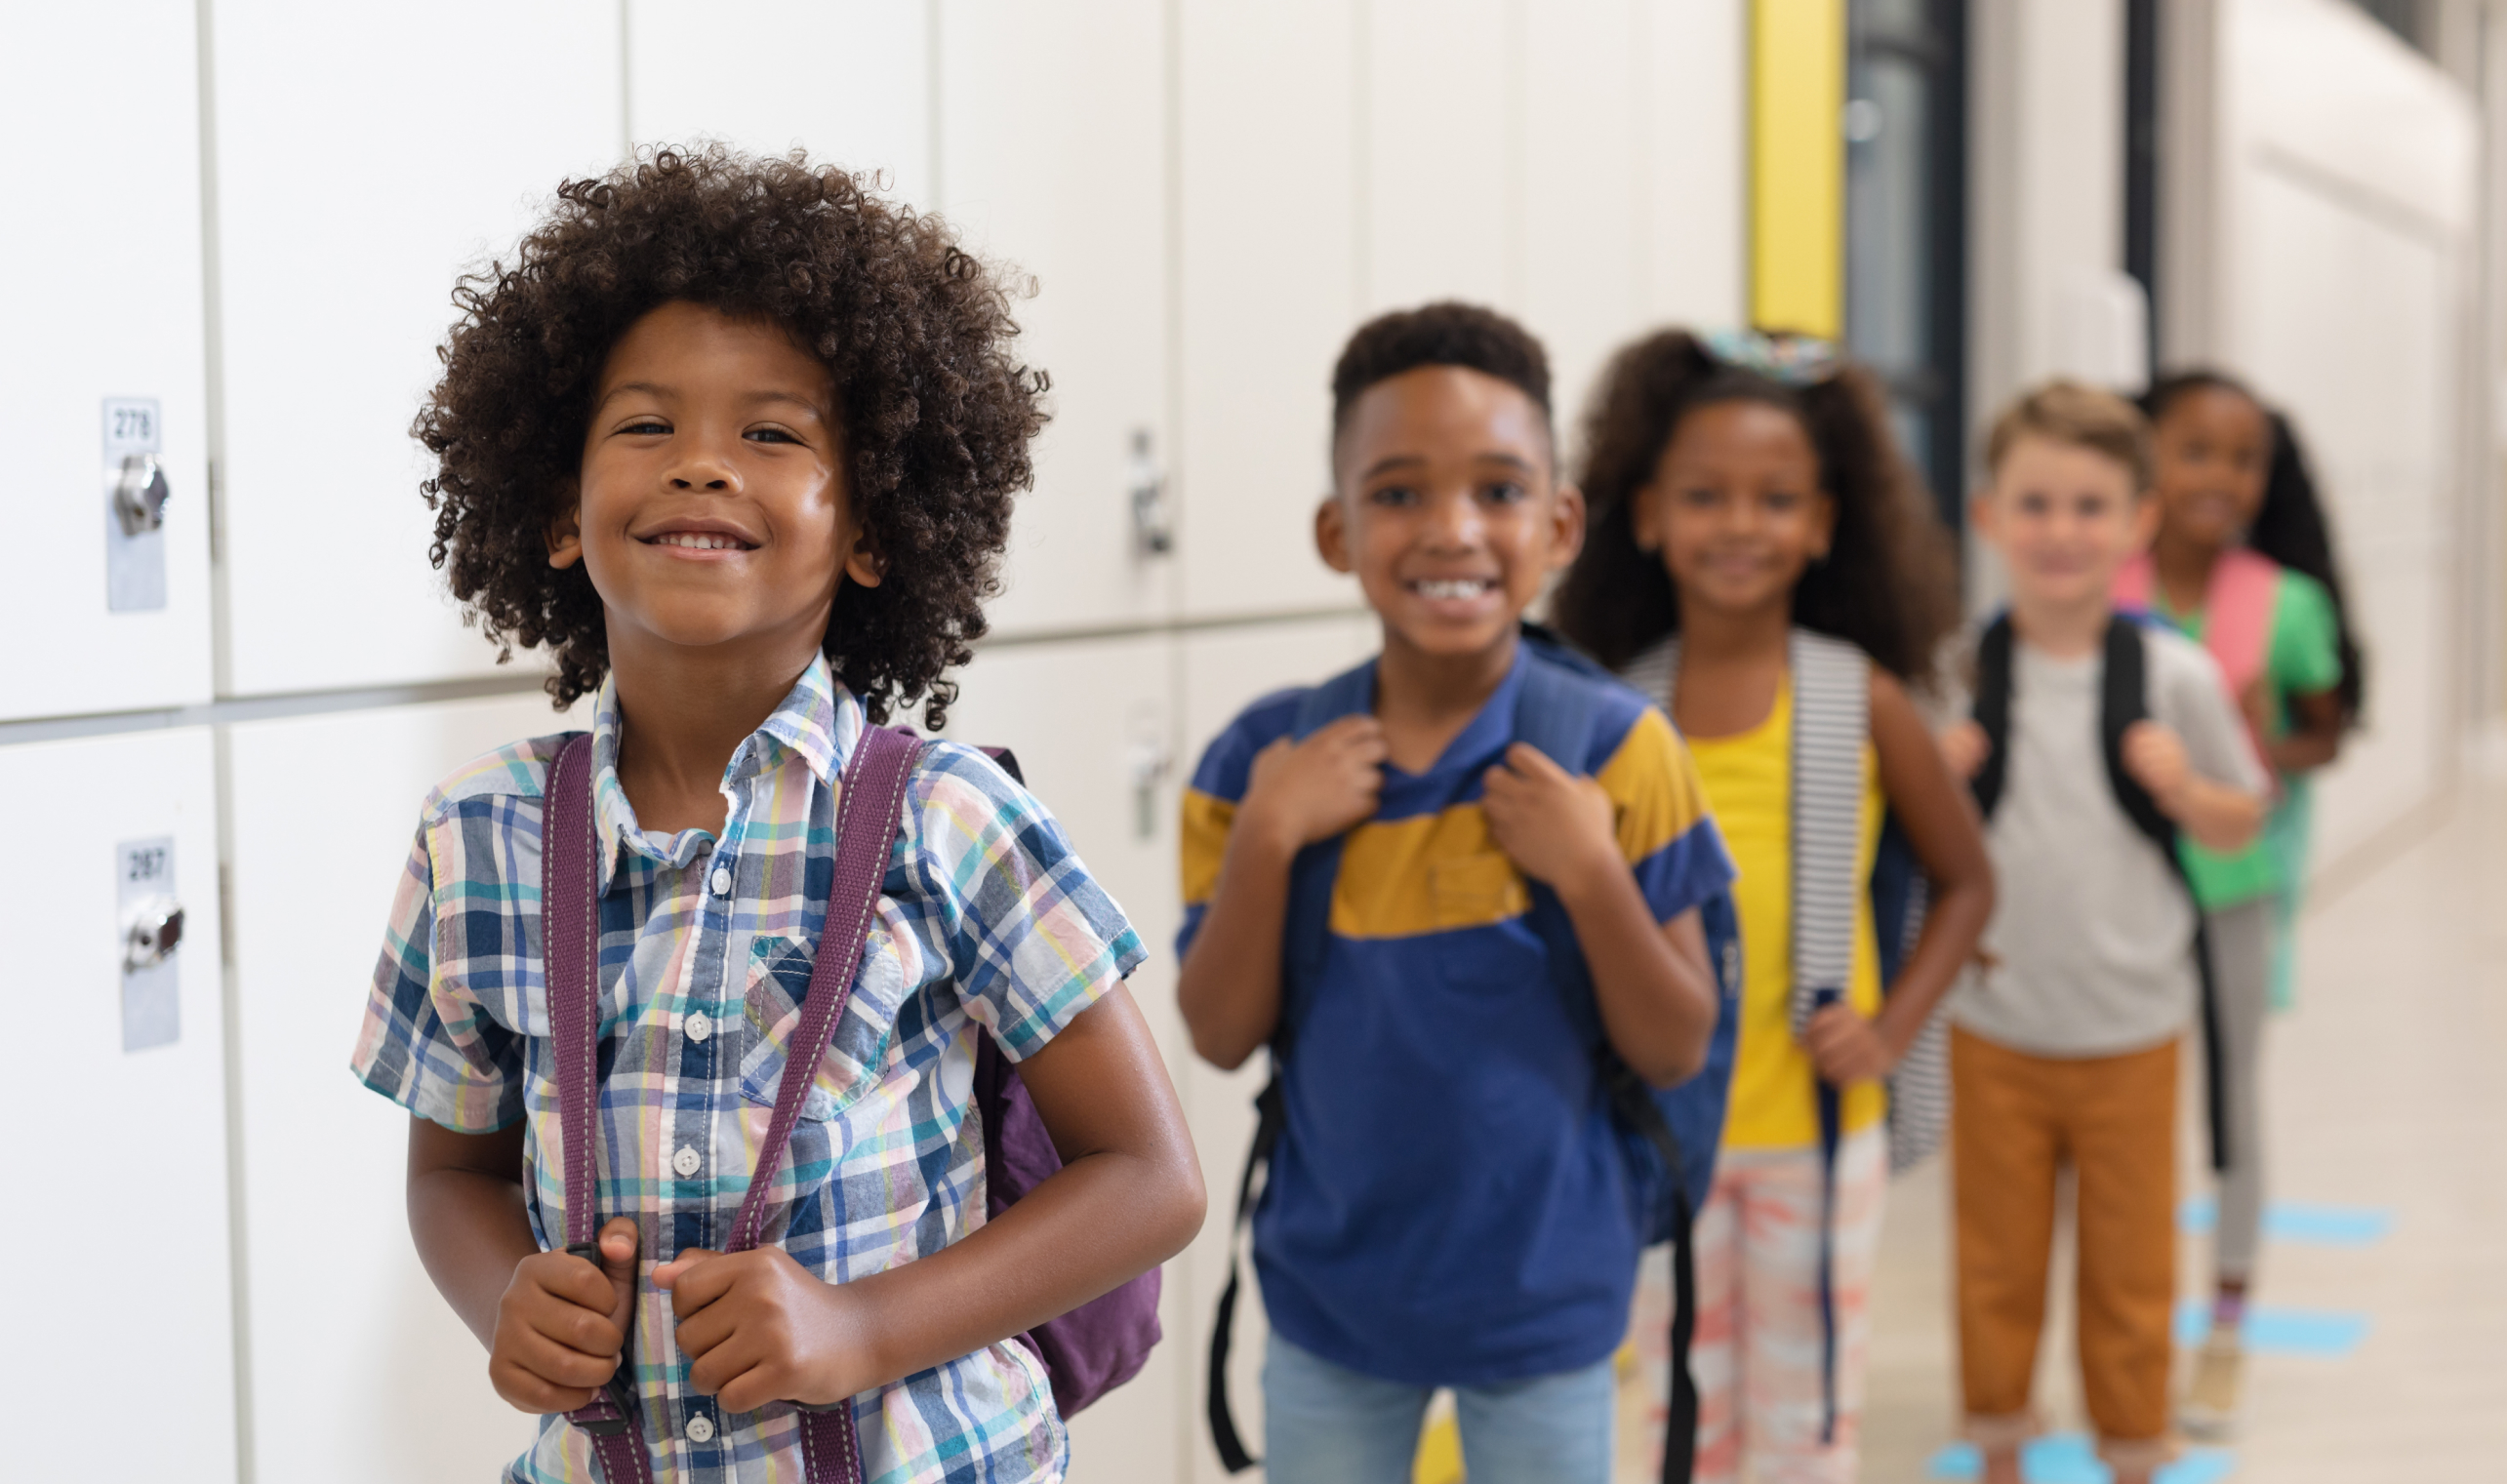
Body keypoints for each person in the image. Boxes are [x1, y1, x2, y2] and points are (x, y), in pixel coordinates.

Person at [349, 146, 1205, 1484]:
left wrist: (865, 1327)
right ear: (560, 511)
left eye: (770, 433)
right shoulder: (479, 835)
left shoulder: (947, 820)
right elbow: (449, 1174)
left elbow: (1150, 1177)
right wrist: (505, 1301)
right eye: (644, 427)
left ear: (871, 527)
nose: (700, 464)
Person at [1176, 302, 1734, 1484]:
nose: (1451, 531)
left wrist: (1588, 871)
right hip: (1331, 1302)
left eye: (1497, 490)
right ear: (1336, 530)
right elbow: (1219, 1035)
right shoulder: (1256, 765)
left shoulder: (1622, 752)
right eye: (1396, 494)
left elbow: (1678, 1042)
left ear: (1559, 523)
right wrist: (1271, 840)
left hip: (1546, 1305)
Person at [1550, 329, 1995, 1482]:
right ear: (1646, 515)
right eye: (1705, 496)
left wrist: (1892, 1030)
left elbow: (1967, 880)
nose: (1739, 524)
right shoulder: (1612, 710)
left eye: (1775, 498)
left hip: (1814, 1130)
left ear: (1823, 522)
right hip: (1659, 1137)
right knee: (1677, 1419)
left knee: (1808, 1418)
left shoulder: (1864, 697)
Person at [1939, 381, 2268, 1484]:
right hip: (1993, 1026)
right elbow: (1901, 840)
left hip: (2134, 1027)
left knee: (2129, 1272)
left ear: (2137, 522)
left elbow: (2242, 819)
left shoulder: (2173, 675)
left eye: (2089, 506)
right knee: (1995, 1265)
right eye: (2034, 504)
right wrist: (1932, 783)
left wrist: (2186, 791)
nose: (2060, 531)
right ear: (1988, 517)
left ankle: (2134, 1454)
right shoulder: (1958, 671)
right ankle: (1997, 1455)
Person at [2122, 372, 2363, 1436]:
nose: (2220, 477)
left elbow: (2327, 729)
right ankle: (2118, 1328)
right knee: (2121, 1113)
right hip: (2108, 893)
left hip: (2232, 892)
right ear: (2144, 461)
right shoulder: (2098, 578)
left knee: (2229, 1111)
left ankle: (2222, 1329)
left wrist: (2270, 738)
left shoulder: (2287, 604)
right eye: (2195, 451)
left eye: (2243, 458)